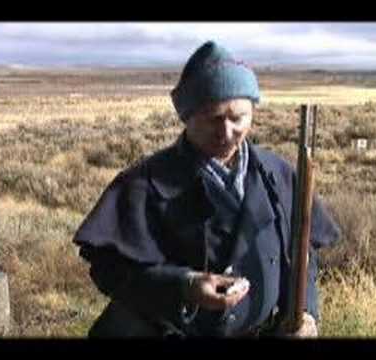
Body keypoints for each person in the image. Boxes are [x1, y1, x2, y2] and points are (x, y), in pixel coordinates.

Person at [73, 40, 340, 338]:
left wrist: (305, 314)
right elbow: (109, 271)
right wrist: (184, 285)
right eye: (213, 119)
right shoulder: (143, 183)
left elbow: (303, 254)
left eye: (238, 118)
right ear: (187, 117)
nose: (226, 133)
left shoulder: (278, 174)